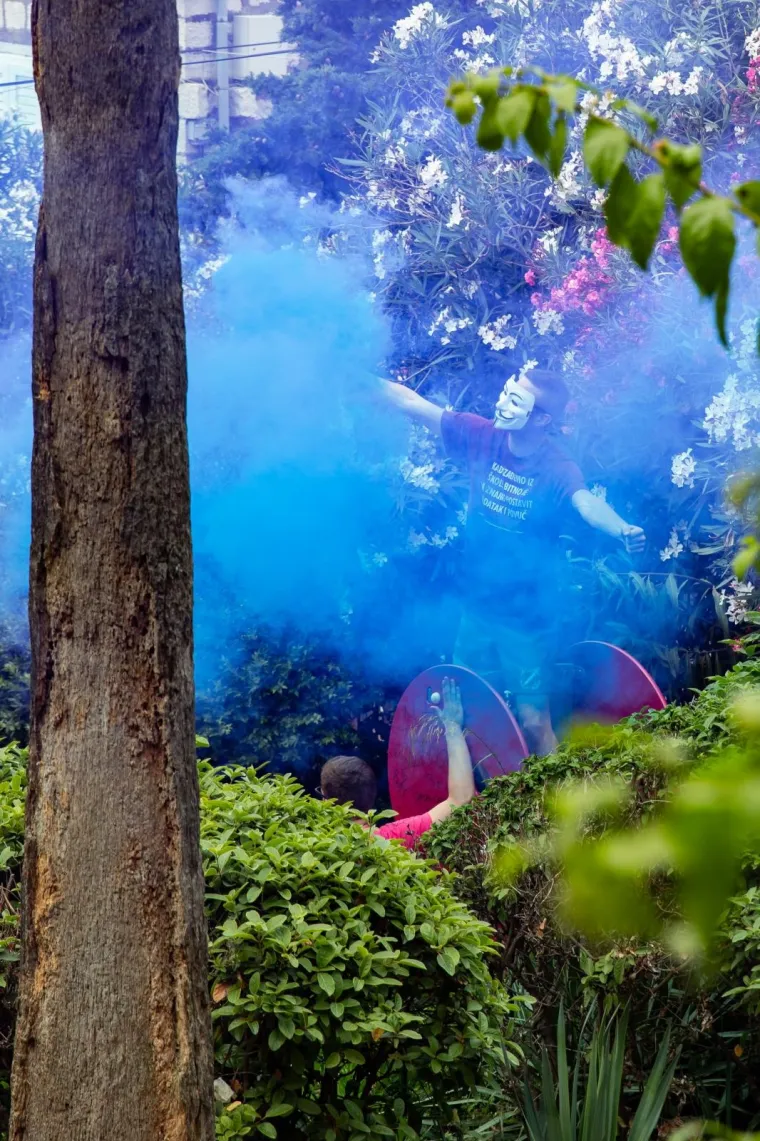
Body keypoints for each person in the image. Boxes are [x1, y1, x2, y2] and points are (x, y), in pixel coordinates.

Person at [380, 366, 646, 755]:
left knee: (535, 723)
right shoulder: (481, 435)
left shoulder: (555, 466)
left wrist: (621, 527)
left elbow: (585, 502)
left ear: (542, 419)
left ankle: (559, 792)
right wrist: (350, 374)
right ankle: (492, 792)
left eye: (516, 400)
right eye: (506, 391)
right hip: (476, 609)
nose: (502, 402)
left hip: (525, 620)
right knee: (466, 713)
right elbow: (411, 402)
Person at [320, 677, 475, 849]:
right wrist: (452, 726)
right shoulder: (393, 839)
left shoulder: (314, 844)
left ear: (326, 801)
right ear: (372, 797)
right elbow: (460, 799)